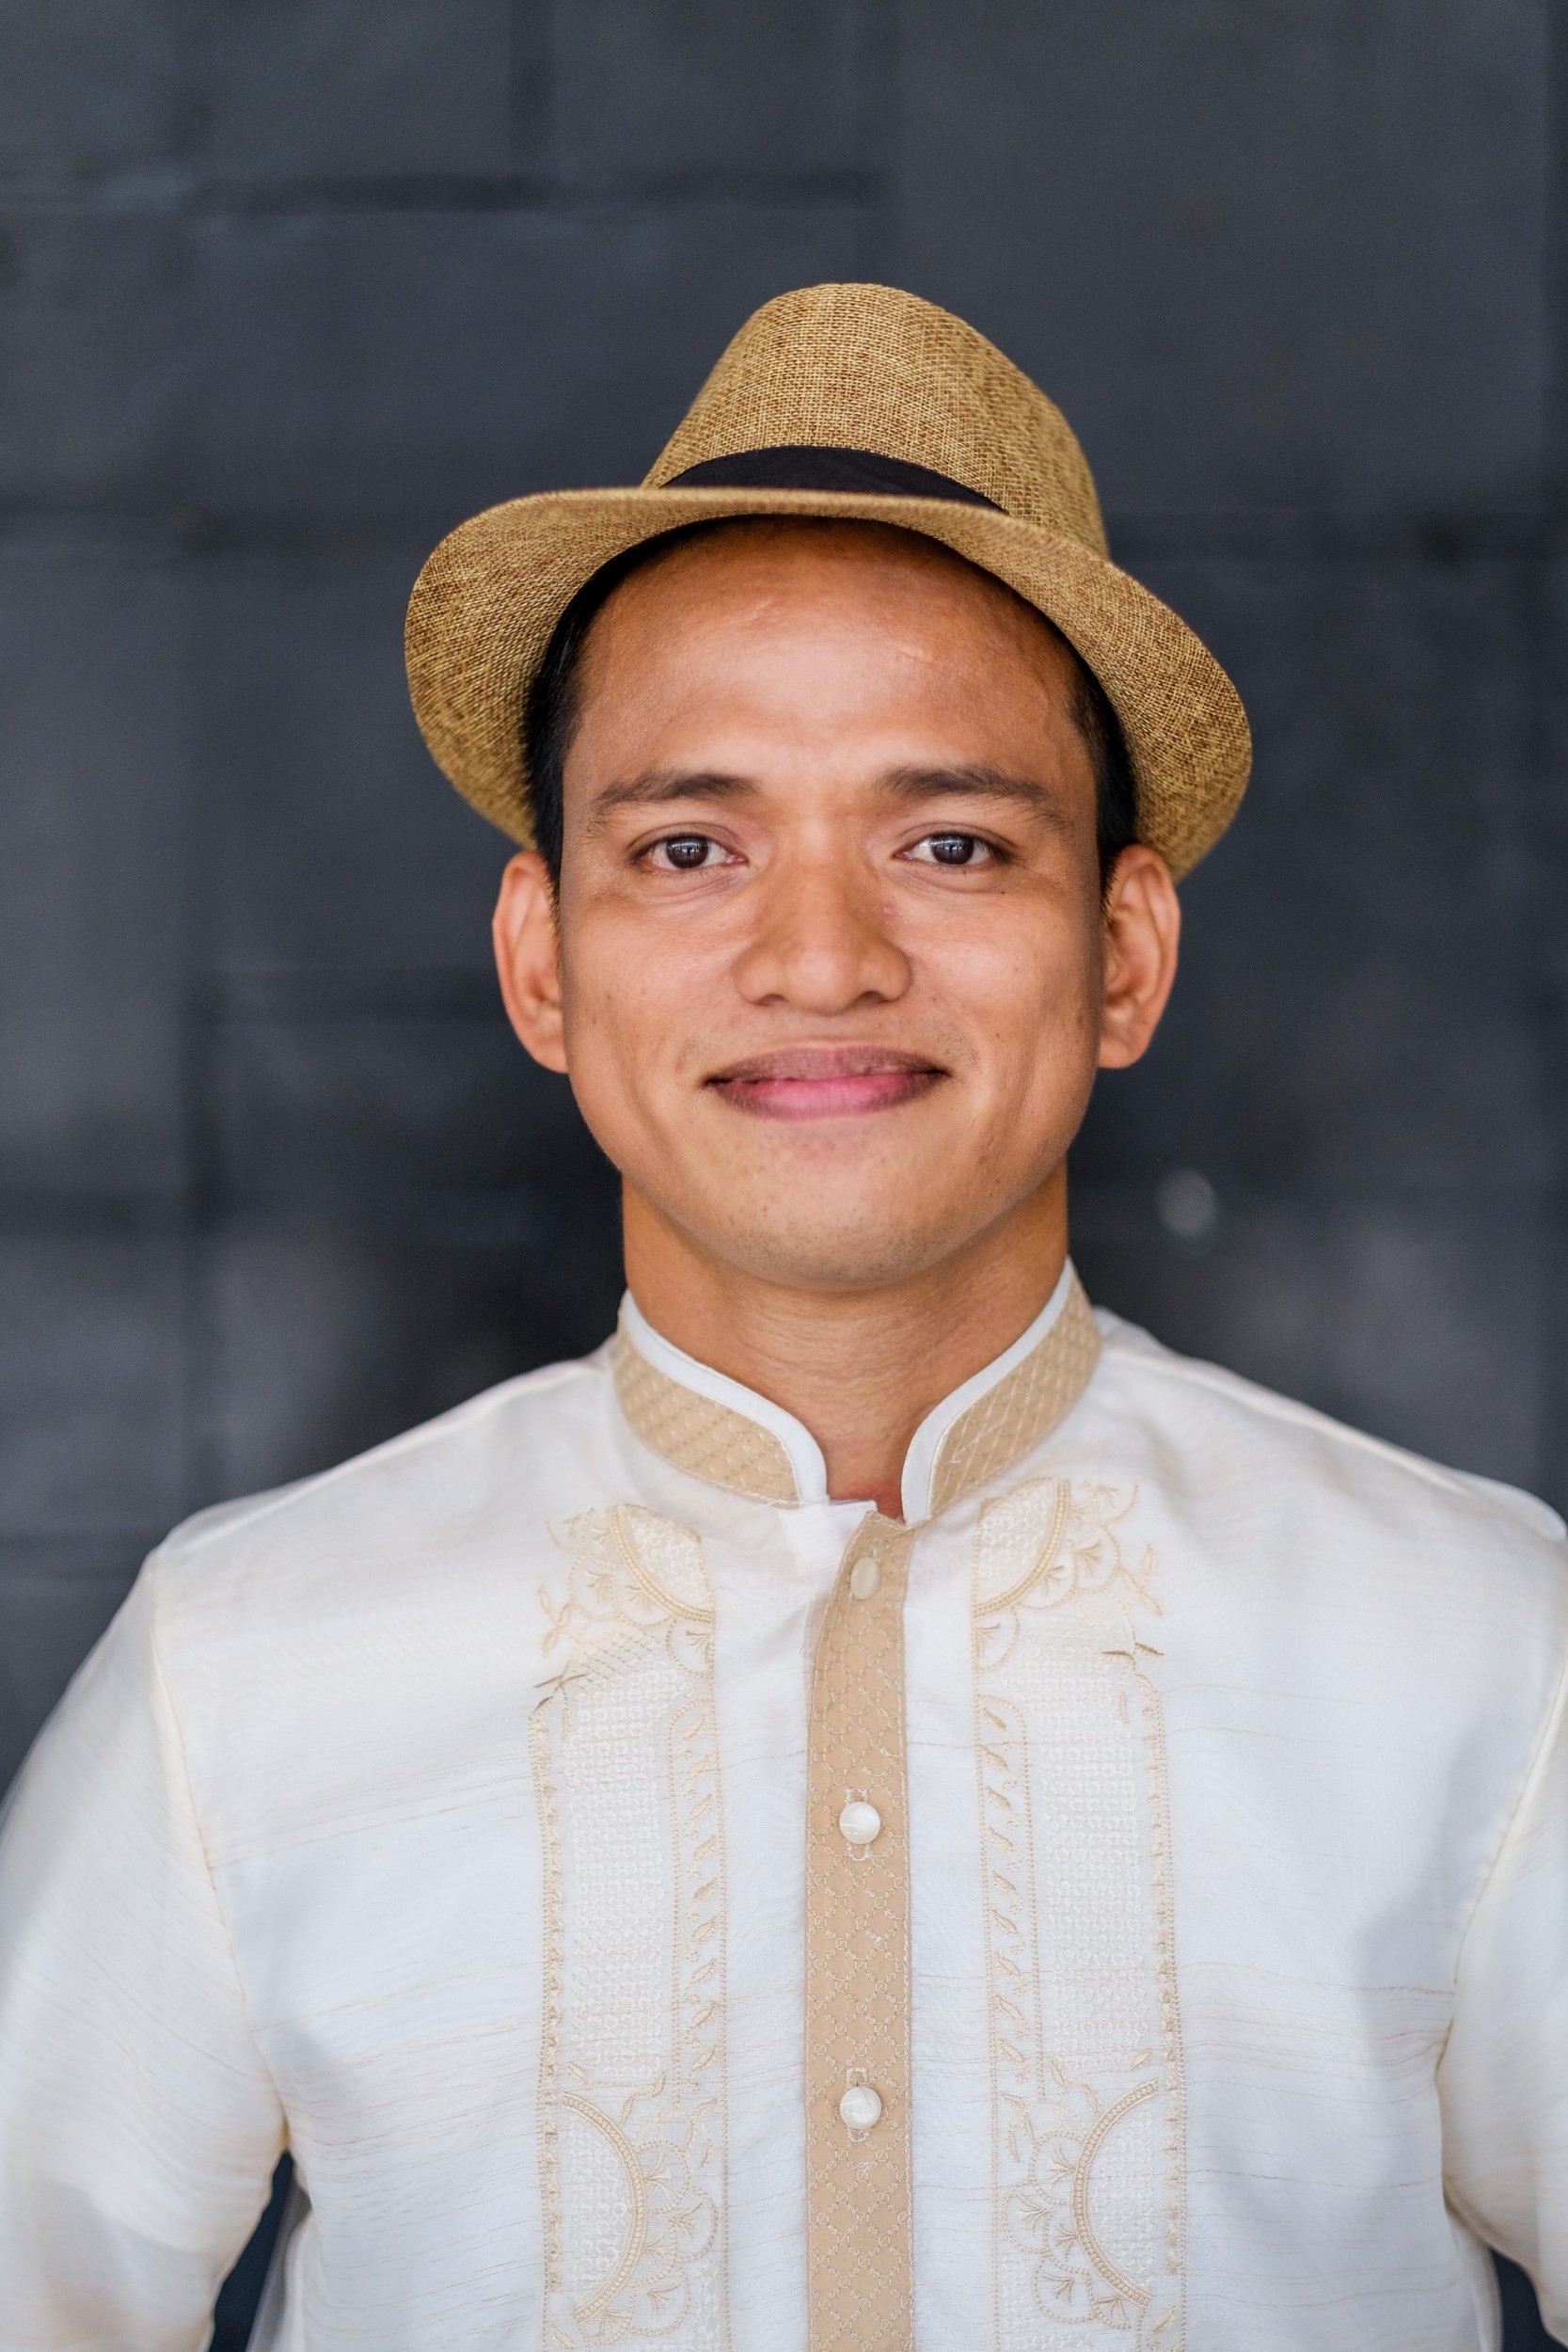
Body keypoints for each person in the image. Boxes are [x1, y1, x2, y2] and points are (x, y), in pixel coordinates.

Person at [0, 281, 1562, 2352]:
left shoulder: (1479, 1647)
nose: (821, 957)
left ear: (1123, 952)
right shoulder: (244, 1665)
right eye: (690, 845)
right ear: (542, 961)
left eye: (951, 841)